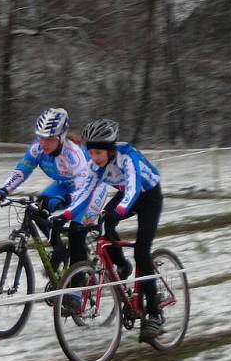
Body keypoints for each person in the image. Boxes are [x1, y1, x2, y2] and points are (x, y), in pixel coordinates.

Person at [65, 119, 164, 343]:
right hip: (127, 195)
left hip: (148, 196)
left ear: (110, 150)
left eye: (99, 152)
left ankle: (155, 312)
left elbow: (132, 188)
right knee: (105, 225)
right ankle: (121, 264)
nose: (94, 157)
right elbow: (84, 194)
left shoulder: (128, 158)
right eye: (91, 152)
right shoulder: (94, 165)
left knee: (141, 252)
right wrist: (68, 214)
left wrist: (119, 210)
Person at [0, 108, 105, 273]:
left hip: (92, 191)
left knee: (75, 233)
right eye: (41, 137)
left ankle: (76, 291)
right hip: (65, 184)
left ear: (61, 137)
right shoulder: (37, 149)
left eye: (49, 139)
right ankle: (59, 248)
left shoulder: (74, 155)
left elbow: (84, 190)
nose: (43, 143)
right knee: (38, 207)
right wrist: (4, 190)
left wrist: (65, 200)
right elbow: (22, 170)